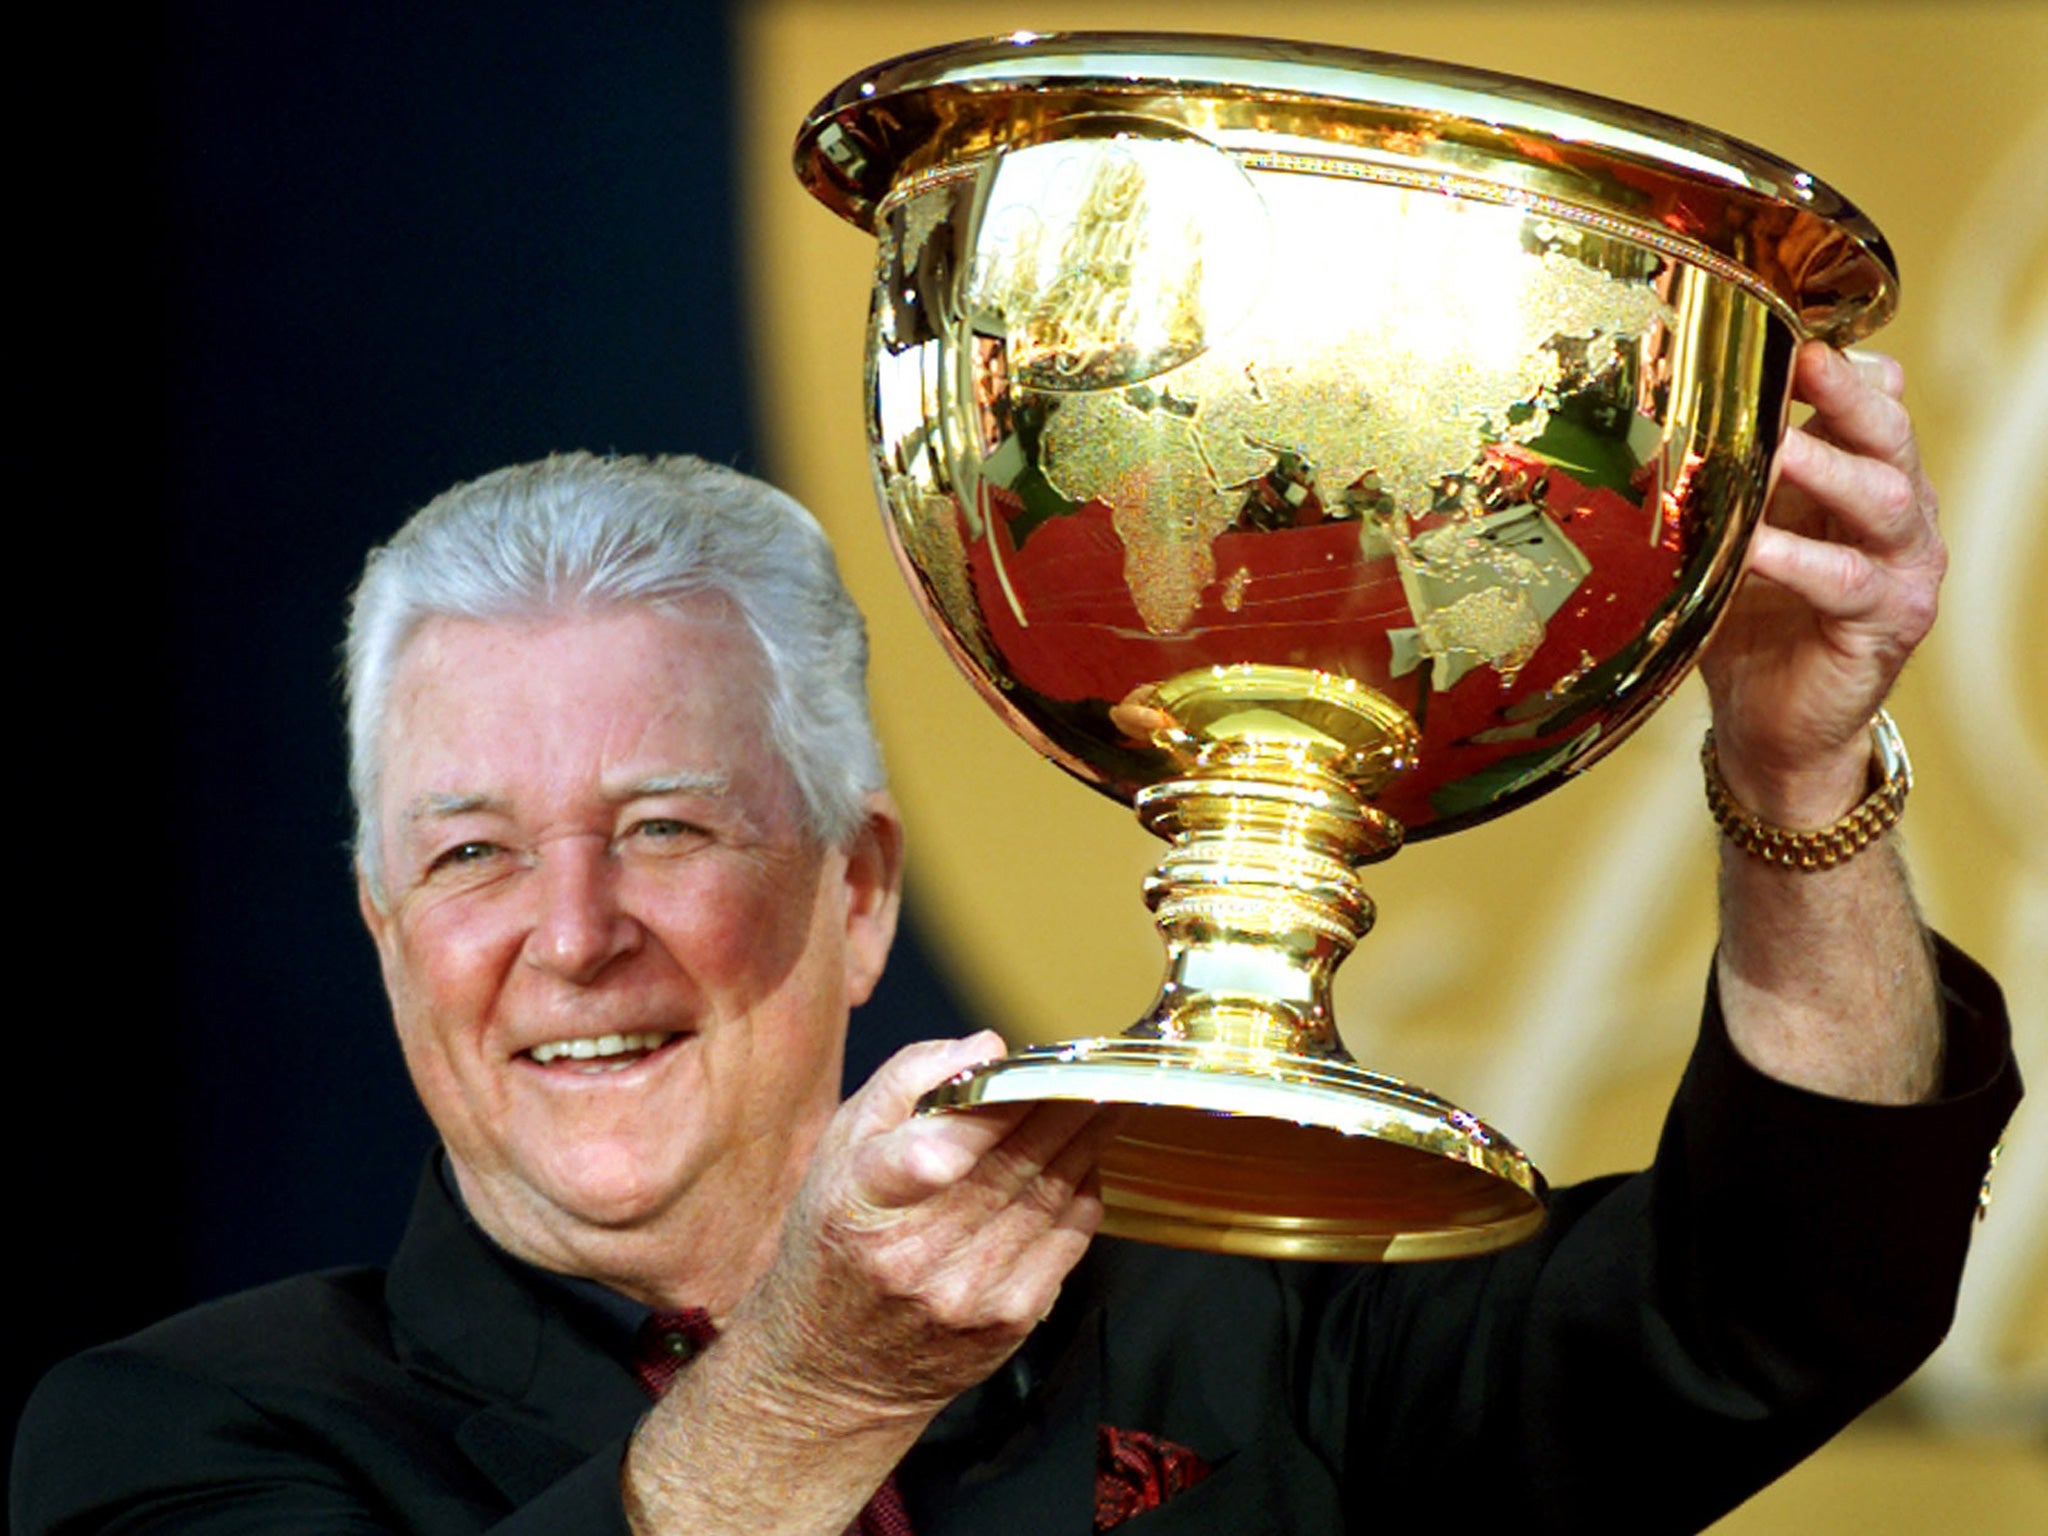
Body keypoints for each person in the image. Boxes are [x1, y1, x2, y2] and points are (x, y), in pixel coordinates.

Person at [12, 344, 2019, 1535]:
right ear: (381, 925)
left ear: (859, 885)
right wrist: (811, 1388)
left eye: (666, 827)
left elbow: (1781, 1295)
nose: (573, 934)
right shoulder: (182, 1433)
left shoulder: (1241, 1330)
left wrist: (1793, 741)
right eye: (467, 856)